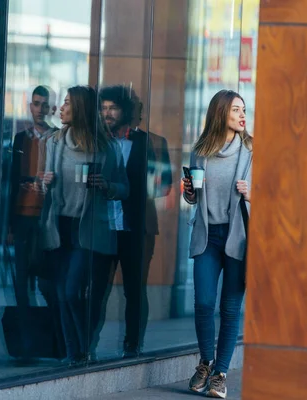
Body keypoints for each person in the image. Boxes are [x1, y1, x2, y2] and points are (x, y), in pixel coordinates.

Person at [40, 85, 129, 365]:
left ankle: (81, 349)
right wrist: (42, 183)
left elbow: (124, 188)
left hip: (88, 229)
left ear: (79, 108)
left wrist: (107, 185)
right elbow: (42, 185)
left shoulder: (106, 148)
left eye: (67, 103)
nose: (61, 108)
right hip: (58, 226)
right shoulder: (53, 142)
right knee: (59, 292)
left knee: (70, 291)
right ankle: (75, 352)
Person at [182, 89, 252, 399]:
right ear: (220, 112)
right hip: (208, 236)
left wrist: (251, 193)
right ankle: (205, 363)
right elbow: (192, 199)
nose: (242, 115)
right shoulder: (200, 151)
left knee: (229, 308)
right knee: (204, 303)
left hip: (238, 236)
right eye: (236, 109)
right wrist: (189, 193)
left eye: (244, 110)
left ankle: (221, 373)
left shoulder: (252, 151)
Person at [98, 85, 172, 358]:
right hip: (104, 226)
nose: (107, 114)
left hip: (137, 227)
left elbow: (163, 186)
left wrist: (145, 185)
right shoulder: (99, 141)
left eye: (113, 108)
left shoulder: (153, 142)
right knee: (97, 290)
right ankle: (87, 348)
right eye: (103, 109)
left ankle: (133, 345)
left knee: (134, 290)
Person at [9, 85, 57, 308]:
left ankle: (48, 325)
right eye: (36, 104)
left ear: (51, 108)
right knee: (21, 275)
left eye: (44, 105)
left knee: (46, 275)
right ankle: (24, 323)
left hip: (47, 214)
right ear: (30, 106)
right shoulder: (20, 138)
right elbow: (10, 178)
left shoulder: (57, 138)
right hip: (22, 213)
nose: (40, 109)